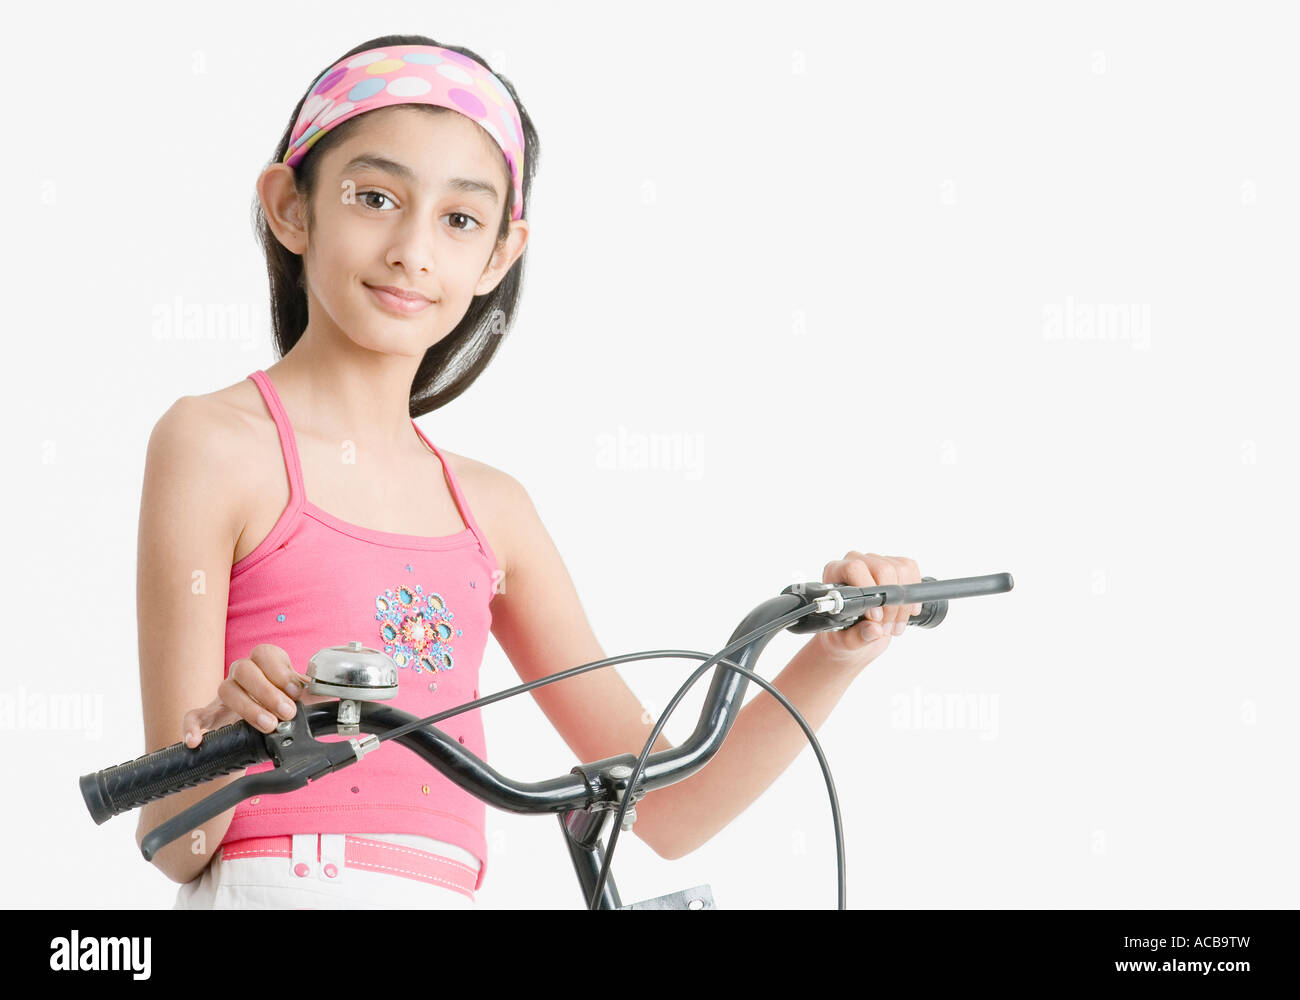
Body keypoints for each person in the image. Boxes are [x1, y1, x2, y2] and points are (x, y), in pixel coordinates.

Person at [137, 32, 925, 910]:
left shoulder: (491, 510)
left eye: (459, 218)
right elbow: (174, 840)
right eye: (374, 197)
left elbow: (660, 805)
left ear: (499, 256)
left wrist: (834, 656)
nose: (412, 249)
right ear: (291, 207)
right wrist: (231, 740)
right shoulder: (213, 443)